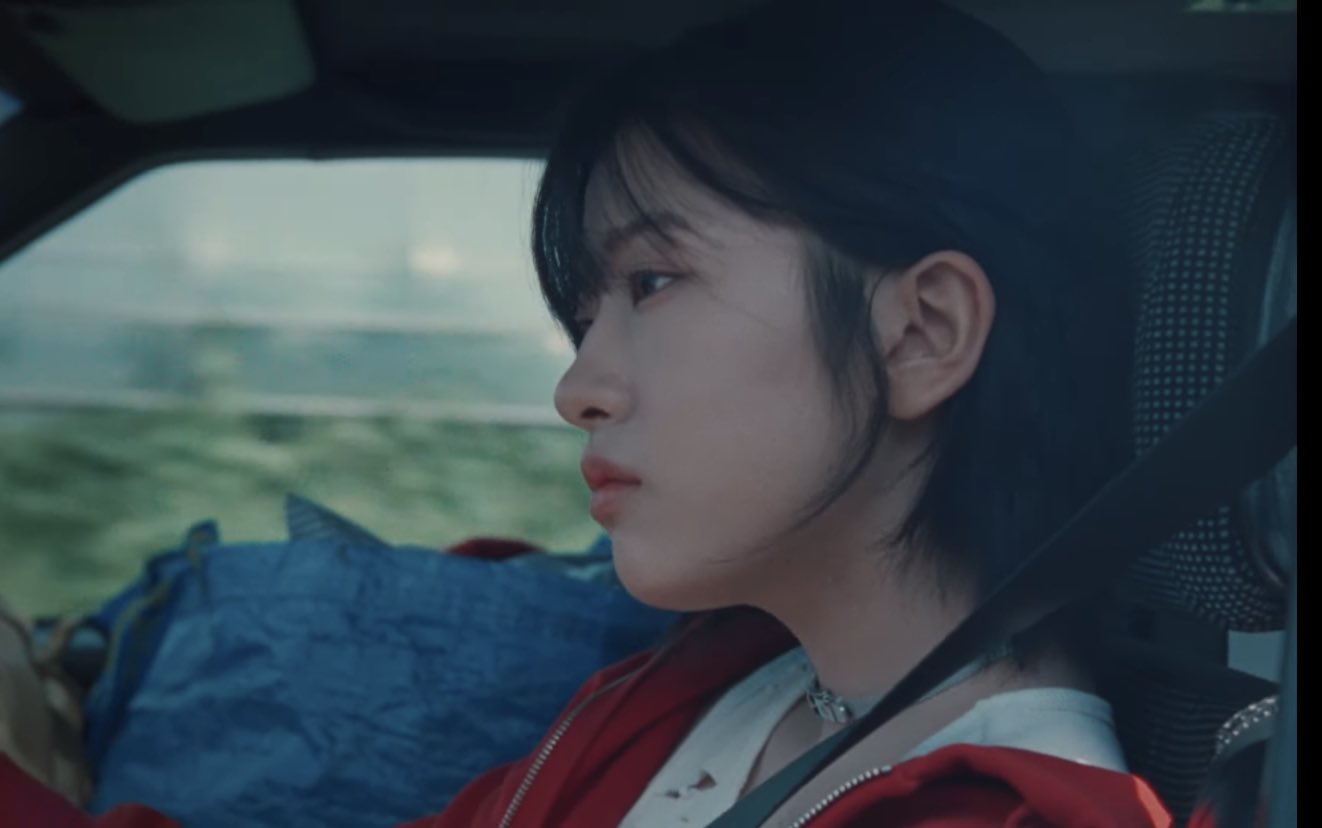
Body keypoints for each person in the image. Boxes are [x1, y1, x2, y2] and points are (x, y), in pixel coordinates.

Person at [1, 0, 1172, 825]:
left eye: (652, 283)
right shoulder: (708, 685)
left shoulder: (1005, 810)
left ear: (920, 333)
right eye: (583, 318)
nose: (577, 391)